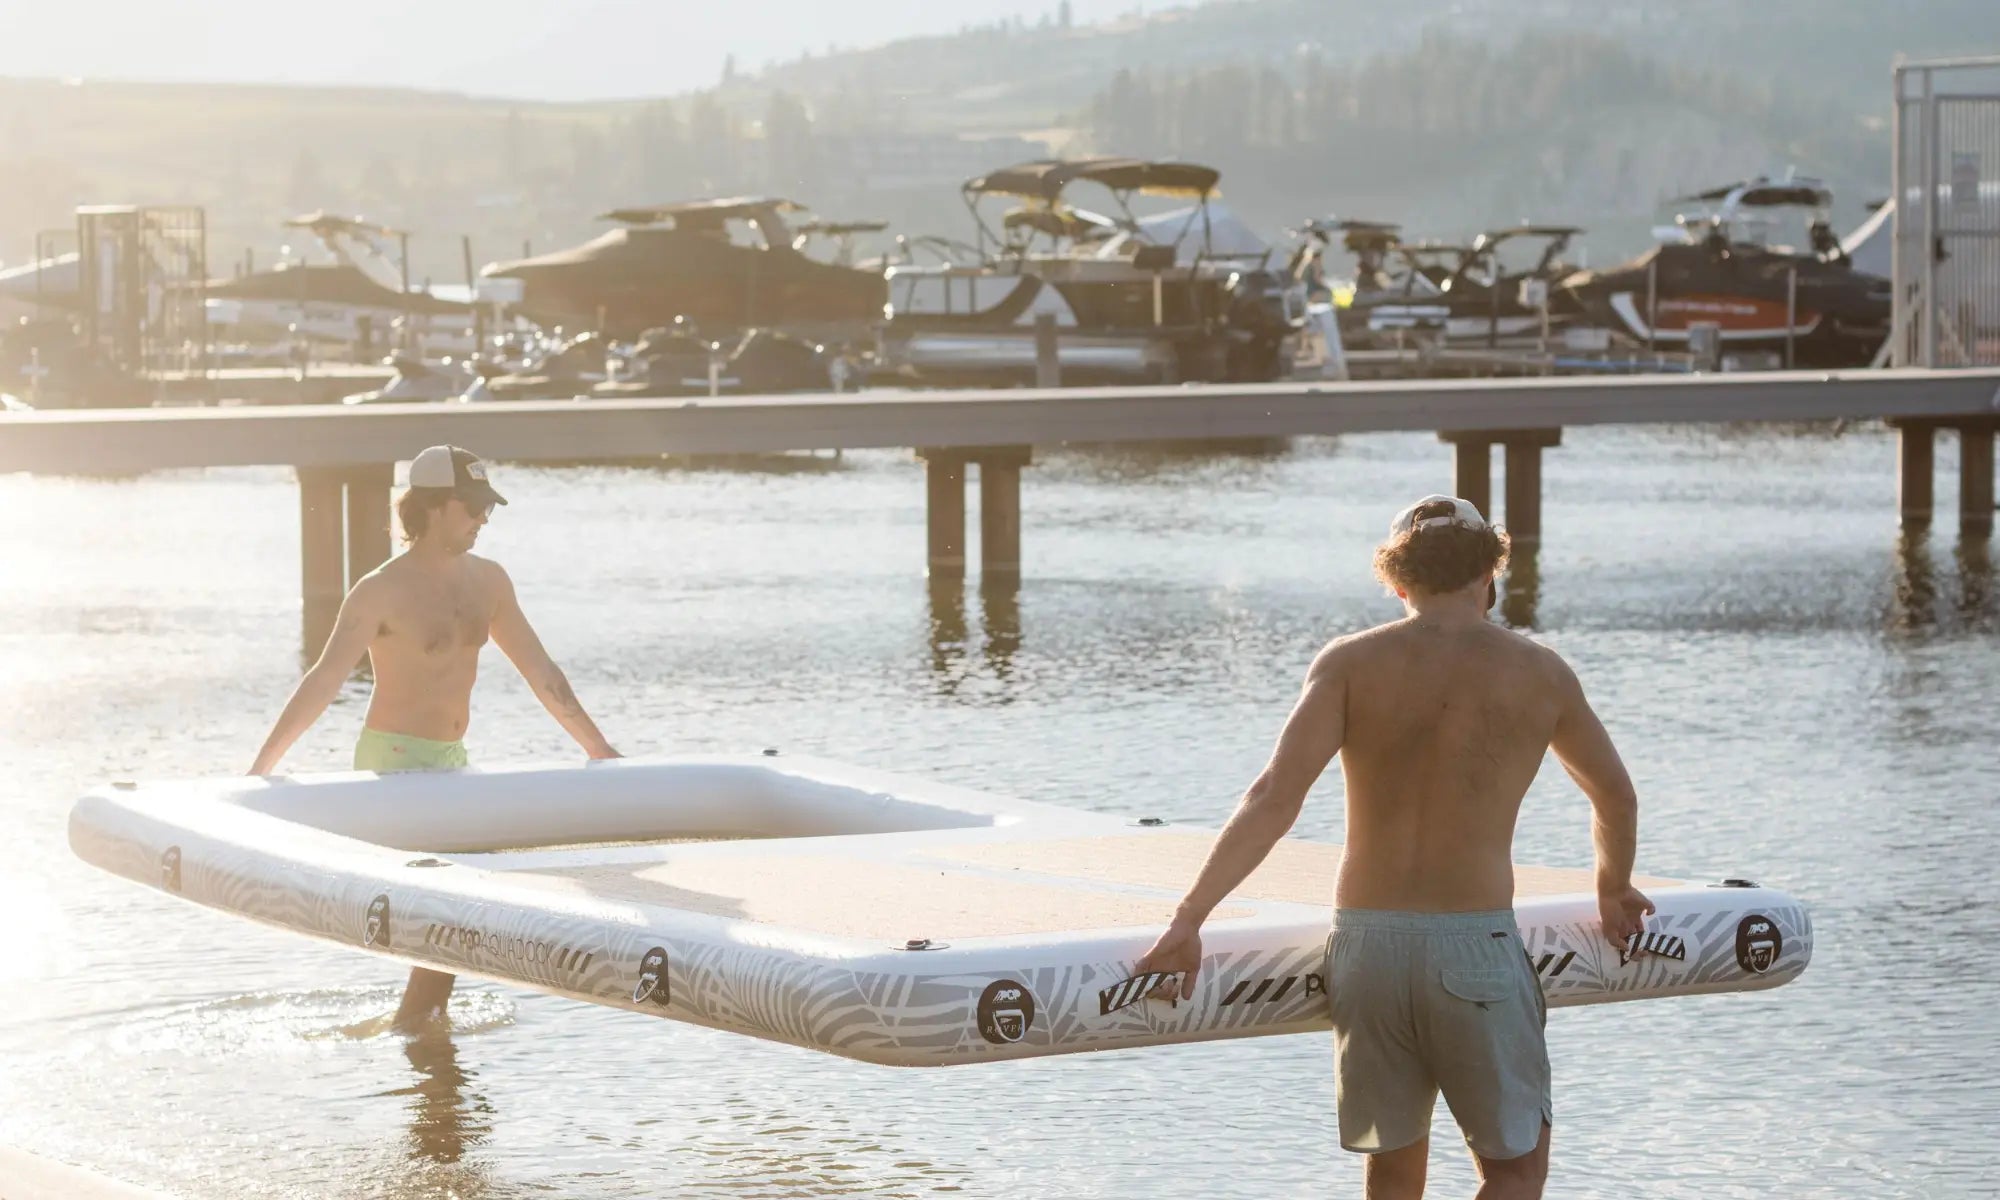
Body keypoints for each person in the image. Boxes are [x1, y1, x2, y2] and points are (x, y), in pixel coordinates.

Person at [1133, 495, 1653, 1200]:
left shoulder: (1348, 663)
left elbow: (1271, 801)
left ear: (1398, 582)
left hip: (1367, 949)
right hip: (1473, 949)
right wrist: (1612, 884)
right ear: (1489, 574)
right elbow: (1615, 797)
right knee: (1517, 1171)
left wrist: (1189, 917)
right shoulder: (1540, 673)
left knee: (1393, 1168)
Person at [248, 444, 620, 1029]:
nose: (483, 520)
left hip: (451, 760)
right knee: (457, 899)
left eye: (487, 509)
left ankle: (421, 1031)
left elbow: (542, 672)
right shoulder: (379, 590)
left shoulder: (490, 582)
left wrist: (600, 752)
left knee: (463, 901)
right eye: (472, 507)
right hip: (393, 763)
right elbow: (324, 679)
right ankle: (417, 1025)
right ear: (434, 508)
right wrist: (262, 768)